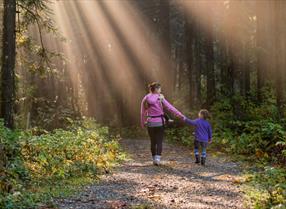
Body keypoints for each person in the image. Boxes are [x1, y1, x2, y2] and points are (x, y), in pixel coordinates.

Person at [141, 82, 184, 165]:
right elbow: (170, 107)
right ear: (156, 89)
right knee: (159, 141)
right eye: (160, 88)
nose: (161, 90)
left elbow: (142, 112)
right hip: (159, 123)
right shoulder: (160, 97)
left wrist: (142, 123)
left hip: (150, 123)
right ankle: (157, 159)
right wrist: (180, 115)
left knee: (153, 142)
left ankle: (154, 159)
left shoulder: (146, 98)